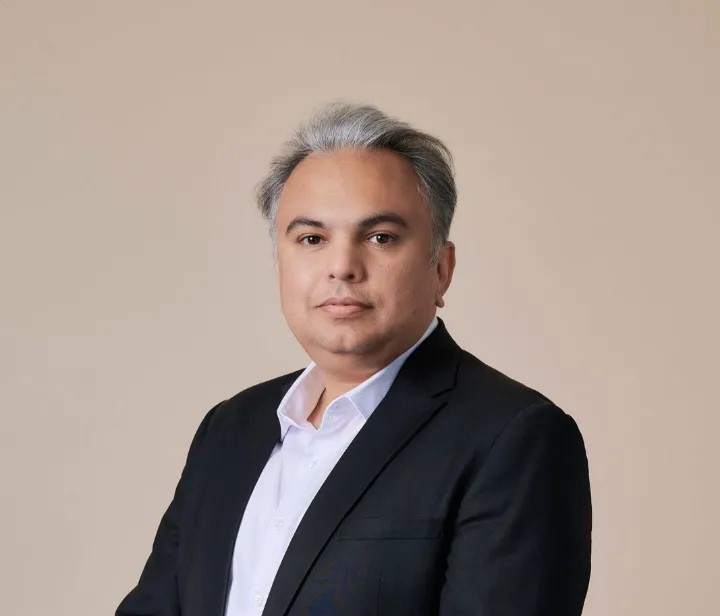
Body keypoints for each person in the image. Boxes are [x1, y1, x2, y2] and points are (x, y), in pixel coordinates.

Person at [116, 102, 592, 616]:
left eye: (380, 237)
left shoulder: (514, 437)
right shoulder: (229, 428)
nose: (342, 266)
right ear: (279, 264)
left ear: (441, 269)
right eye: (312, 239)